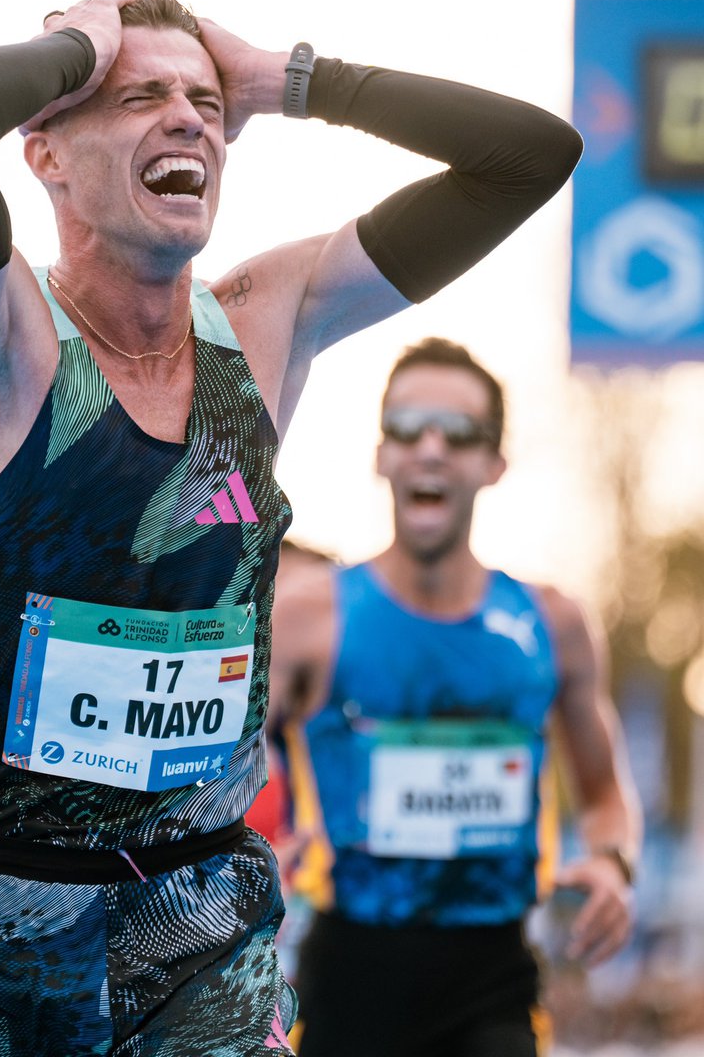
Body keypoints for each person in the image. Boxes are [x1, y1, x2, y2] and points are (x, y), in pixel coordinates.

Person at [0, 0, 583, 1057]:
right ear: (45, 153)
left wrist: (294, 81)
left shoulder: (266, 320)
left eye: (204, 100)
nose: (187, 119)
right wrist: (79, 46)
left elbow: (528, 158)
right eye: (139, 97)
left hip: (197, 924)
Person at [270, 337, 643, 1057]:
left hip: (492, 980)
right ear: (381, 455)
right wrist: (257, 852)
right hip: (349, 976)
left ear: (494, 464)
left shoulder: (552, 624)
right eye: (408, 427)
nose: (431, 448)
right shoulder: (311, 617)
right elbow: (215, 772)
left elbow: (603, 794)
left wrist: (612, 863)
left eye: (459, 432)